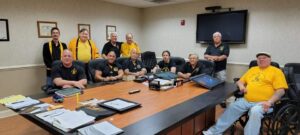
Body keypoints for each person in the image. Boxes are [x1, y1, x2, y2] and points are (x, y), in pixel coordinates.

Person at [203, 52, 288, 135]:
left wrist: (270, 102)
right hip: (246, 100)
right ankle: (214, 131)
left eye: (264, 58)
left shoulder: (276, 71)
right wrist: (242, 86)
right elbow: (240, 81)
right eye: (259, 58)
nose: (261, 60)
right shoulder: (252, 69)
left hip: (264, 103)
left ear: (270, 60)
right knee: (232, 106)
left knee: (255, 111)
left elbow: (281, 91)